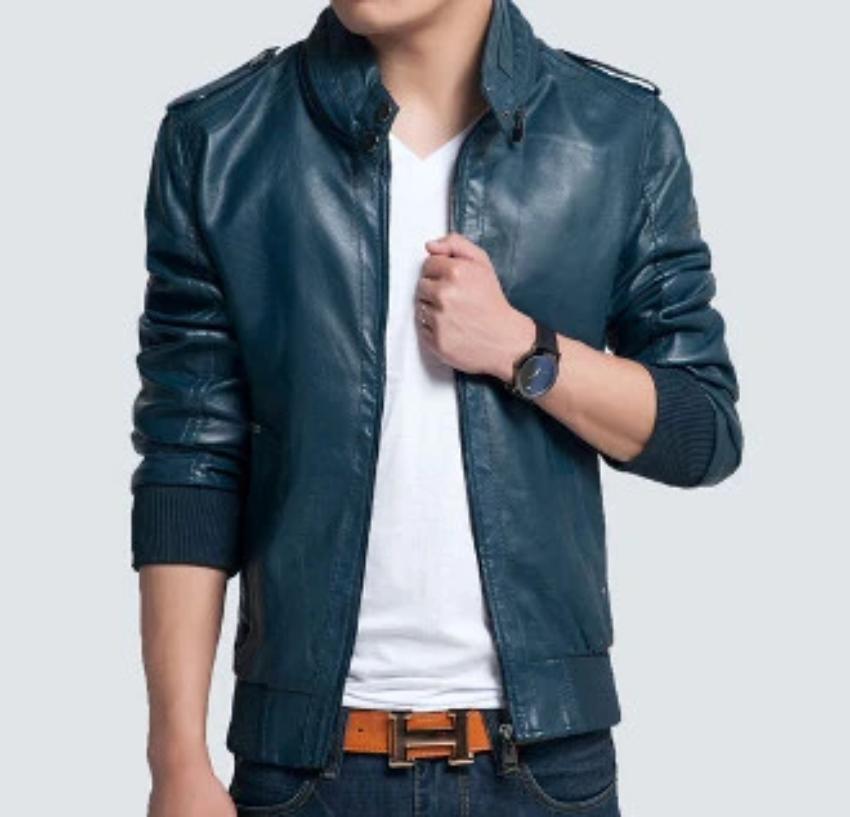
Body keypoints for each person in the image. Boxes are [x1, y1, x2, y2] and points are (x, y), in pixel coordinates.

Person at [129, 1, 744, 815]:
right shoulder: (221, 141)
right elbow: (189, 459)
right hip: (303, 767)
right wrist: (177, 757)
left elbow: (701, 431)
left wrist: (526, 351)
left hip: (545, 766)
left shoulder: (617, 135)